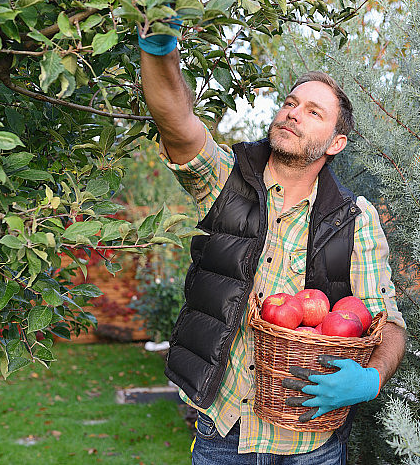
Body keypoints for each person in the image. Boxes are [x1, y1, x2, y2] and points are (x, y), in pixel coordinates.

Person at [138, 25, 406, 464]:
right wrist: (158, 43)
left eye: (313, 112)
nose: (293, 114)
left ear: (336, 143)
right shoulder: (227, 180)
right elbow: (178, 125)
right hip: (223, 433)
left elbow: (387, 322)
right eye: (290, 103)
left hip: (311, 443)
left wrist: (371, 379)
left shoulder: (355, 219)